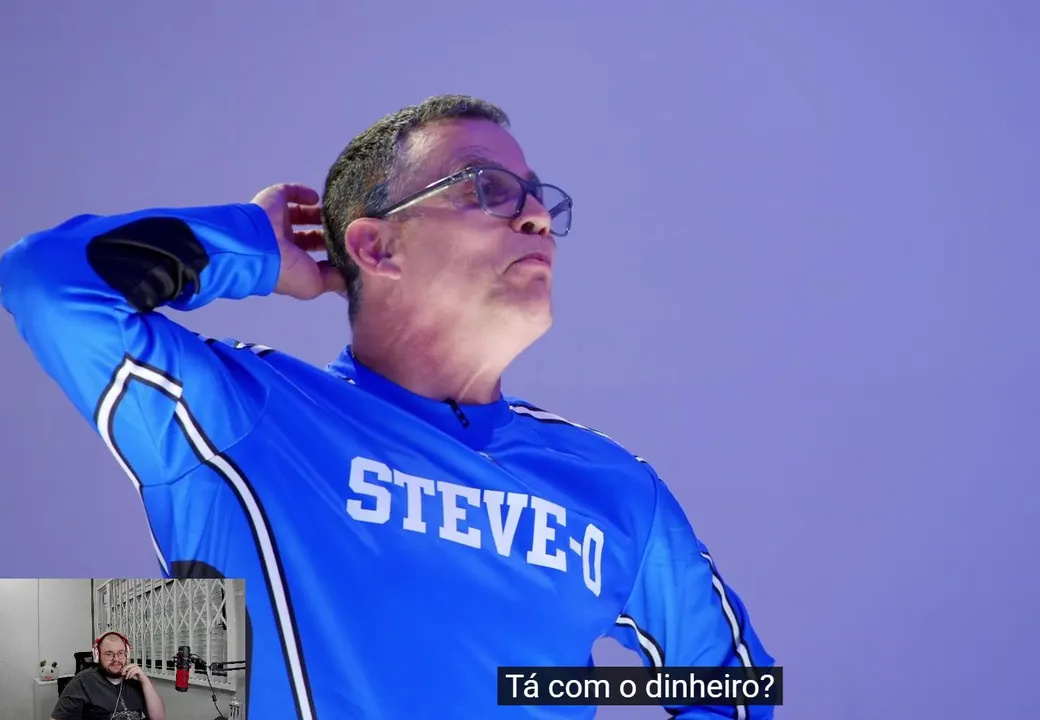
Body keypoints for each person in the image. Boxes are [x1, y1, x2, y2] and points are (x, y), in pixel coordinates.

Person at [1, 95, 774, 719]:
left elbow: (734, 685)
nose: (537, 218)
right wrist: (256, 247)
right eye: (486, 189)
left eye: (539, 199)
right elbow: (45, 281)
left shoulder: (616, 487)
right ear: (377, 248)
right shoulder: (250, 417)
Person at [51, 632, 165, 720]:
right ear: (97, 656)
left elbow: (159, 718)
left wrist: (145, 682)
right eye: (109, 654)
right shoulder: (82, 682)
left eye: (120, 653)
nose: (116, 659)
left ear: (127, 654)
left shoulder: (136, 680)